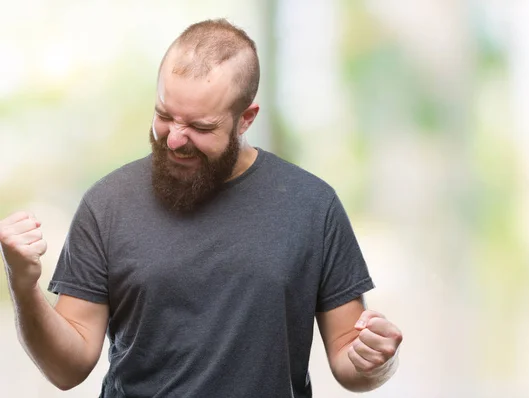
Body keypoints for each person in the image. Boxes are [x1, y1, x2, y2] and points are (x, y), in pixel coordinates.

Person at [0, 19, 402, 397]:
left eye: (200, 127)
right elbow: (66, 370)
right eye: (164, 116)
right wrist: (23, 285)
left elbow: (351, 358)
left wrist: (376, 358)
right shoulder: (106, 205)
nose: (175, 139)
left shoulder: (314, 206)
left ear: (246, 119)